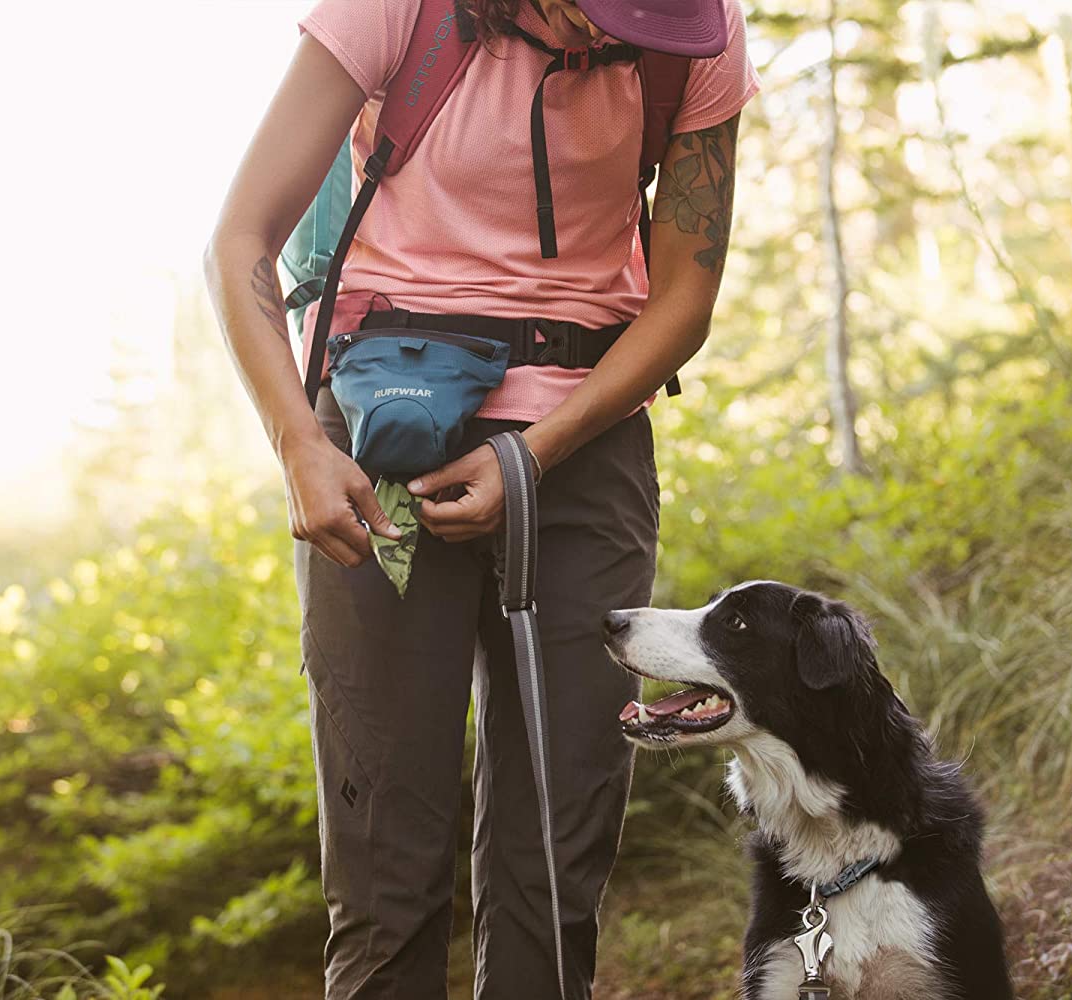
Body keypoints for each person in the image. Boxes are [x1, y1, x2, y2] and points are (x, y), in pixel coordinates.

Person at [202, 0, 759, 996]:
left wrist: (537, 454)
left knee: (554, 872)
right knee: (385, 872)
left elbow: (683, 294)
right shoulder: (396, 9)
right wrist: (299, 443)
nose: (611, 40)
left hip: (583, 453)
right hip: (381, 443)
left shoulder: (699, 30)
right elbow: (239, 235)